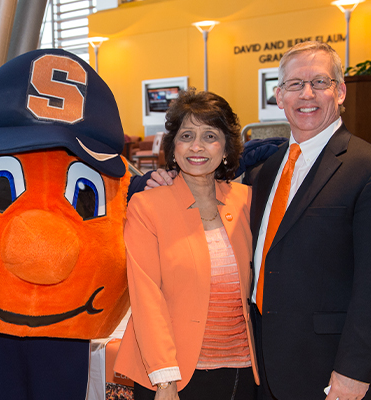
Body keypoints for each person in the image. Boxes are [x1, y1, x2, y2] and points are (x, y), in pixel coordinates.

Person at [144, 41, 371, 400]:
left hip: (327, 371)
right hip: (258, 366)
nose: (307, 94)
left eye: (320, 82)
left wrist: (354, 373)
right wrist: (168, 180)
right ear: (279, 96)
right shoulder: (266, 172)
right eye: (294, 85)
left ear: (340, 91)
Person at [114, 89, 258, 400]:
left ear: (226, 147)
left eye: (210, 136)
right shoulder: (147, 206)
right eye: (187, 135)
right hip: (174, 375)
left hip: (244, 373)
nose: (197, 146)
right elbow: (146, 297)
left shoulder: (246, 201)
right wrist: (165, 381)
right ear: (173, 145)